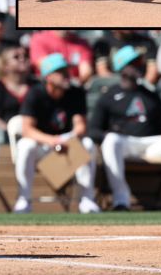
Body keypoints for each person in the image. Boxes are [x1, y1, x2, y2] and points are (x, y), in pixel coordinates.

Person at [88, 46, 161, 211]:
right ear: (123, 68)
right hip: (126, 144)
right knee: (110, 140)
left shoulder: (151, 94)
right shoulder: (109, 96)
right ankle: (121, 199)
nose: (141, 65)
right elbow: (93, 131)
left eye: (140, 61)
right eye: (135, 63)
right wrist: (110, 133)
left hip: (152, 144)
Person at [13, 53, 100, 214]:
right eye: (61, 72)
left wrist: (66, 139)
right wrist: (52, 140)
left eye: (67, 71)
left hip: (67, 146)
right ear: (48, 76)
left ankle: (87, 200)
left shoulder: (76, 92)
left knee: (87, 144)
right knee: (25, 145)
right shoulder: (35, 93)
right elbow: (27, 130)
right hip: (43, 147)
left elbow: (80, 127)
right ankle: (23, 199)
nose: (67, 75)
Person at [0, 45, 35, 135]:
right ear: (5, 66)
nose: (23, 59)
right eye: (16, 57)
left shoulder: (37, 86)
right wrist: (7, 131)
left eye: (25, 56)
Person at [92, 30, 160, 84]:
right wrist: (120, 87)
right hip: (115, 84)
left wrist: (143, 85)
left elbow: (152, 71)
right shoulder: (103, 43)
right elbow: (102, 71)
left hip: (140, 84)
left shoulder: (147, 42)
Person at [29, 30, 94, 85]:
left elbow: (85, 72)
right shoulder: (39, 38)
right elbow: (45, 66)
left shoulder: (82, 44)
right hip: (46, 87)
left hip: (73, 87)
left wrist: (72, 83)